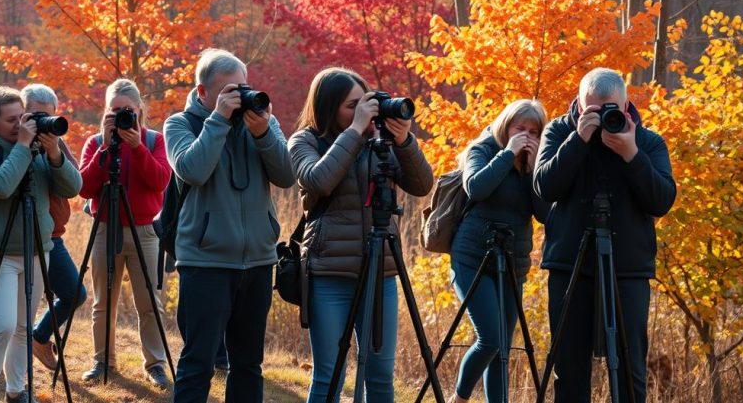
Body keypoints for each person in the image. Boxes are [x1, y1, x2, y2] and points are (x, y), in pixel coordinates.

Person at [287, 67, 433, 403]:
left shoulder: (380, 143)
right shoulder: (305, 141)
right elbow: (319, 180)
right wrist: (354, 131)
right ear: (328, 108)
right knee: (329, 375)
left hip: (379, 274)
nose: (363, 113)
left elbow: (422, 184)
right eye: (352, 106)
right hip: (329, 274)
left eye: (364, 104)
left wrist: (404, 140)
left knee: (380, 377)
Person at [534, 68, 676, 403]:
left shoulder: (647, 141)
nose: (601, 119)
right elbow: (544, 187)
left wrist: (631, 155)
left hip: (627, 267)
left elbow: (662, 200)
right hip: (570, 265)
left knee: (629, 371)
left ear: (626, 106)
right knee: (569, 372)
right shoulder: (559, 131)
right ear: (580, 106)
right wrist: (577, 141)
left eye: (610, 110)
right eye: (591, 112)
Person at [165, 48, 295, 403]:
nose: (241, 97)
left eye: (244, 87)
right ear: (204, 92)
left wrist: (264, 134)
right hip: (205, 261)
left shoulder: (263, 122)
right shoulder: (180, 124)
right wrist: (219, 121)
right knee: (198, 363)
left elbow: (286, 176)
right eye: (229, 92)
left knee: (249, 364)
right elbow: (192, 170)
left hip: (257, 259)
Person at [0, 86, 82, 403]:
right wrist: (25, 146)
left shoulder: (38, 146)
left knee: (22, 327)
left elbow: (74, 186)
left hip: (36, 247)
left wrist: (54, 152)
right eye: (11, 120)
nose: (20, 124)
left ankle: (16, 390)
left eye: (22, 117)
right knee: (1, 324)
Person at [449, 99, 550, 402]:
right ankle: (460, 398)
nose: (527, 136)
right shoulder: (482, 149)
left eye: (534, 131)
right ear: (506, 126)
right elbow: (477, 188)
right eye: (521, 128)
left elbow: (545, 214)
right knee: (490, 339)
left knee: (503, 349)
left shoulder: (534, 163)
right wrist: (507, 155)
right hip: (471, 257)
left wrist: (533, 171)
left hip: (512, 262)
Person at [77, 79, 171, 388]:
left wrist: (136, 147)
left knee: (150, 302)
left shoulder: (155, 140)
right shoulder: (95, 143)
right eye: (115, 110)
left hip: (146, 231)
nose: (121, 116)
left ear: (140, 110)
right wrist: (105, 147)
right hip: (106, 228)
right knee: (103, 302)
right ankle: (103, 361)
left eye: (127, 110)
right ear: (105, 112)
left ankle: (155, 365)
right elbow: (85, 188)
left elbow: (159, 182)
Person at [19, 84, 88, 374]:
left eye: (48, 116)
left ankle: (39, 337)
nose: (43, 122)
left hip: (52, 237)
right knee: (14, 311)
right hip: (21, 236)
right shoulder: (14, 141)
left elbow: (76, 184)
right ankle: (2, 365)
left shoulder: (54, 140)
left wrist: (54, 151)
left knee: (75, 294)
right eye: (35, 115)